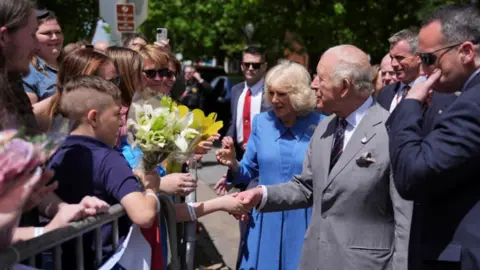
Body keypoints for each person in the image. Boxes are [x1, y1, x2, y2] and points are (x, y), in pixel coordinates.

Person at [233, 45, 412, 270]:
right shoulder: (324, 128)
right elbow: (307, 187)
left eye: (321, 77)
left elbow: (405, 220)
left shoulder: (391, 131)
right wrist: (262, 194)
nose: (314, 84)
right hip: (315, 260)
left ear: (344, 86)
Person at [49, 75, 248, 269]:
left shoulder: (57, 154)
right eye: (117, 114)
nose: (120, 123)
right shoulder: (109, 160)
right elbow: (144, 215)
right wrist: (152, 189)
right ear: (94, 118)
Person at [387, 4, 480, 270]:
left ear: (465, 51)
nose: (424, 69)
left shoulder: (473, 104)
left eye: (428, 59)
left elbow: (412, 174)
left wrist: (410, 104)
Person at [216, 60, 324, 270]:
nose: (274, 100)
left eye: (282, 94)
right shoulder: (262, 122)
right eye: (271, 92)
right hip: (266, 218)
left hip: (305, 219)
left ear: (298, 94)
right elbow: (248, 172)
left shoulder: (322, 125)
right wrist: (233, 164)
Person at [216, 45, 270, 193]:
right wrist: (228, 137)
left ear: (264, 67)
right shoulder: (236, 90)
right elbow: (235, 121)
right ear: (241, 65)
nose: (250, 68)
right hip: (239, 156)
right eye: (247, 64)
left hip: (262, 158)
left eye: (256, 65)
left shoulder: (271, 93)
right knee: (241, 206)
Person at [376, 29, 424, 113]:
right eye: (392, 58)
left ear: (418, 57)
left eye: (400, 58)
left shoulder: (434, 93)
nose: (393, 64)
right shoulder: (385, 93)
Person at [23, 10, 63, 104]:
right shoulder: (27, 73)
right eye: (46, 33)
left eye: (58, 32)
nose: (55, 37)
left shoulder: (72, 64)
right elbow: (28, 114)